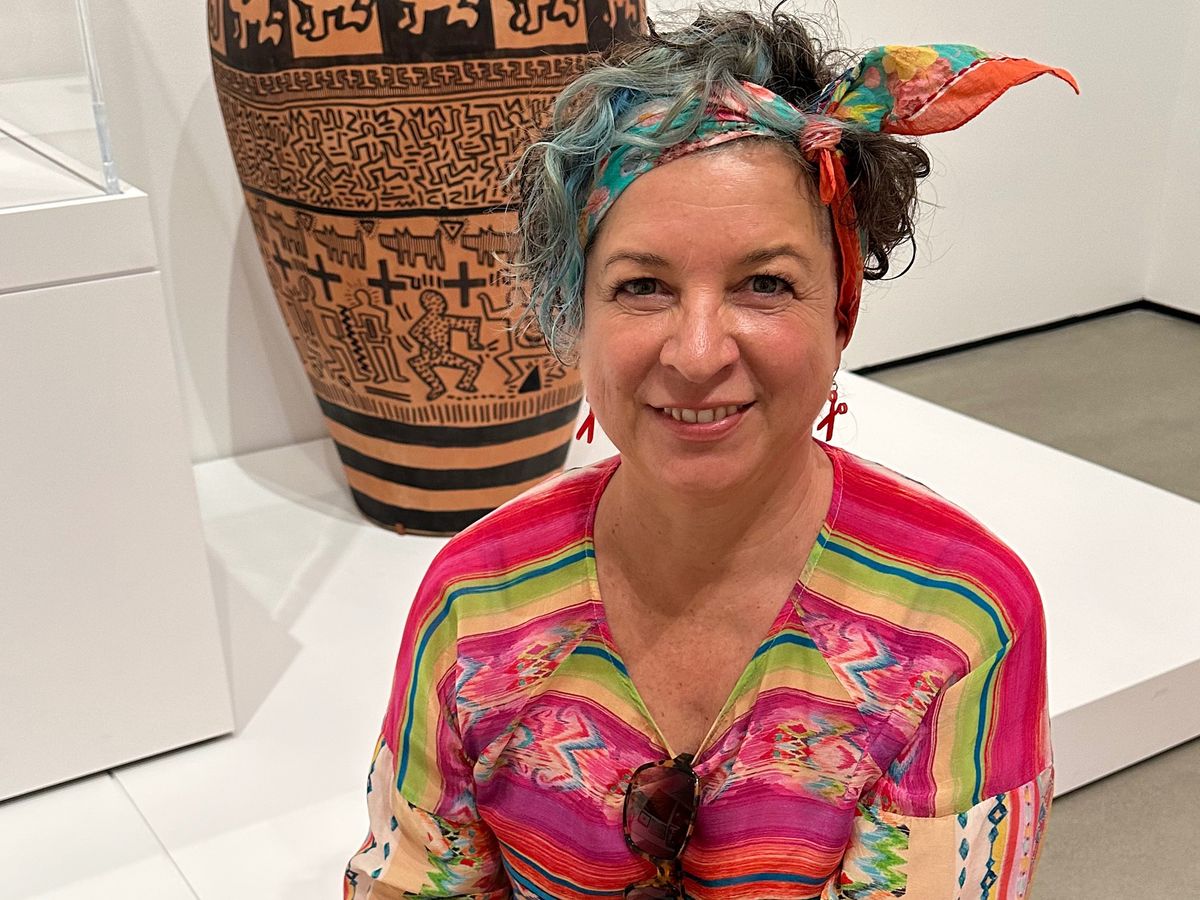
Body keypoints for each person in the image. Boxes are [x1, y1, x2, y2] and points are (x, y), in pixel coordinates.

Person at [344, 7, 1077, 898]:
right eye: (642, 286)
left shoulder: (955, 619)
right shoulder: (475, 602)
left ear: (840, 310)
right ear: (576, 314)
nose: (696, 354)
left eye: (765, 283)